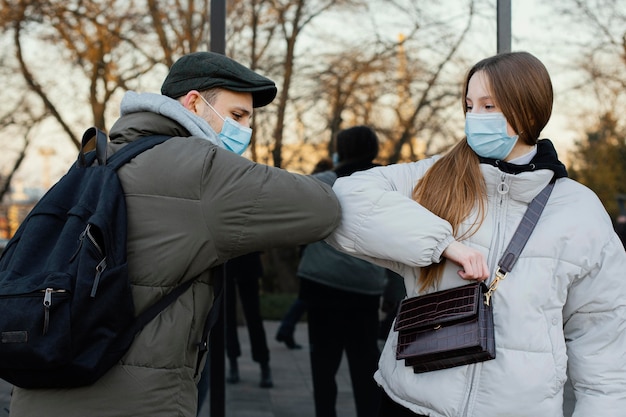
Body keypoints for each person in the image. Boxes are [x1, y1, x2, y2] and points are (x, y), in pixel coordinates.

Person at [9, 51, 341, 417]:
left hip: (39, 391)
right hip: (133, 404)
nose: (244, 132)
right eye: (236, 116)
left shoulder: (101, 158)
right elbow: (322, 210)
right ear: (195, 103)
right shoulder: (199, 167)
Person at [326, 51, 626, 416]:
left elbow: (604, 336)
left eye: (489, 105)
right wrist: (443, 244)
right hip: (409, 403)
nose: (474, 117)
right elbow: (346, 199)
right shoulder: (434, 177)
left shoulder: (579, 209)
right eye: (469, 105)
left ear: (529, 111)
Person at [299, 126, 388, 417]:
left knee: (324, 367)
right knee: (365, 365)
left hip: (323, 283)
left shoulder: (325, 182)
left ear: (342, 151)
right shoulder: (388, 184)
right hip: (366, 286)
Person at [275, 157, 334, 350]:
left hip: (307, 249)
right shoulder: (327, 187)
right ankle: (286, 329)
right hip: (318, 252)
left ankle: (287, 329)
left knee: (305, 297)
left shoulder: (310, 186)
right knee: (307, 298)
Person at [223, 252, 273, 388]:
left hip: (249, 257)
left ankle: (264, 364)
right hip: (227, 259)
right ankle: (233, 362)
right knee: (228, 317)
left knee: (254, 317)